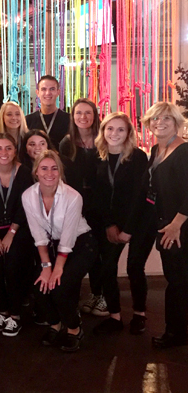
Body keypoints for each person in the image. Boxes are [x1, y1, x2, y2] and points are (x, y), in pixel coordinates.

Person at [22, 150, 97, 352]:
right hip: (52, 246)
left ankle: (74, 329)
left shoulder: (73, 197)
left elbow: (68, 237)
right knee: (40, 286)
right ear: (36, 171)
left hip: (81, 244)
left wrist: (58, 268)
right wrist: (46, 266)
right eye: (44, 168)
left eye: (55, 168)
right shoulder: (28, 196)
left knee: (60, 286)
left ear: (60, 172)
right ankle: (55, 324)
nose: (50, 173)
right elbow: (38, 234)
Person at [92, 112, 149, 335]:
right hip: (111, 222)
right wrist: (109, 225)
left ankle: (140, 314)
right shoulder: (98, 156)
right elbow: (98, 196)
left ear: (128, 134)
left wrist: (128, 229)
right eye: (110, 129)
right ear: (103, 131)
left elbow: (139, 196)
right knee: (107, 268)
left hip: (139, 221)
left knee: (134, 267)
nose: (114, 133)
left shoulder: (138, 157)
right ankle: (115, 316)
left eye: (120, 129)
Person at [140, 102, 188, 348]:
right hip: (166, 224)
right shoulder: (156, 150)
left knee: (178, 281)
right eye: (155, 119)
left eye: (166, 118)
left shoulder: (183, 150)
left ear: (177, 122)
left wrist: (175, 224)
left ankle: (176, 334)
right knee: (176, 279)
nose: (160, 123)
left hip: (180, 228)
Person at [0, 133, 33, 336]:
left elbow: (24, 206)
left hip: (18, 228)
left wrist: (11, 233)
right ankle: (2, 310)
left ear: (15, 150)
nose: (4, 152)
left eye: (8, 148)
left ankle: (15, 315)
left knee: (13, 268)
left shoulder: (25, 173)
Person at [59, 99, 107, 317]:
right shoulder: (66, 144)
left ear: (95, 116)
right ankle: (77, 297)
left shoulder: (104, 140)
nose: (83, 117)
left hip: (100, 204)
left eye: (88, 113)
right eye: (79, 113)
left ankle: (101, 294)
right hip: (76, 205)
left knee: (101, 252)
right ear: (73, 116)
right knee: (79, 251)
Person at [25, 75, 71, 151]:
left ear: (58, 92)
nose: (48, 93)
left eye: (52, 89)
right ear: (37, 92)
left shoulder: (69, 120)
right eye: (43, 89)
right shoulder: (28, 120)